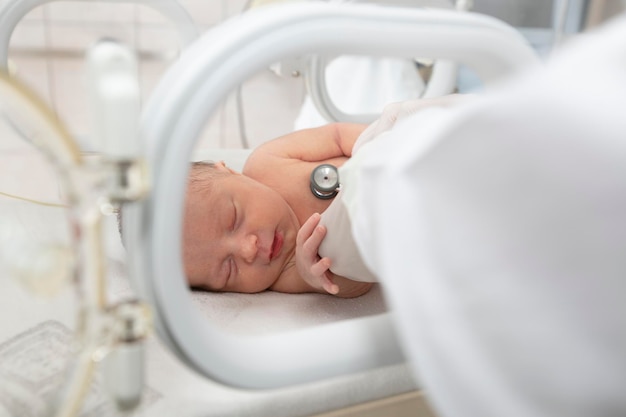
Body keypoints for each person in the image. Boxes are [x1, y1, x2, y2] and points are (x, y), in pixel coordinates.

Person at [183, 122, 374, 298]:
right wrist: (316, 278)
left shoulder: (267, 161)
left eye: (234, 219)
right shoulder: (290, 270)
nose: (249, 249)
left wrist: (380, 145)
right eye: (229, 269)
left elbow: (337, 137)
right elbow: (362, 282)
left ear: (229, 172)